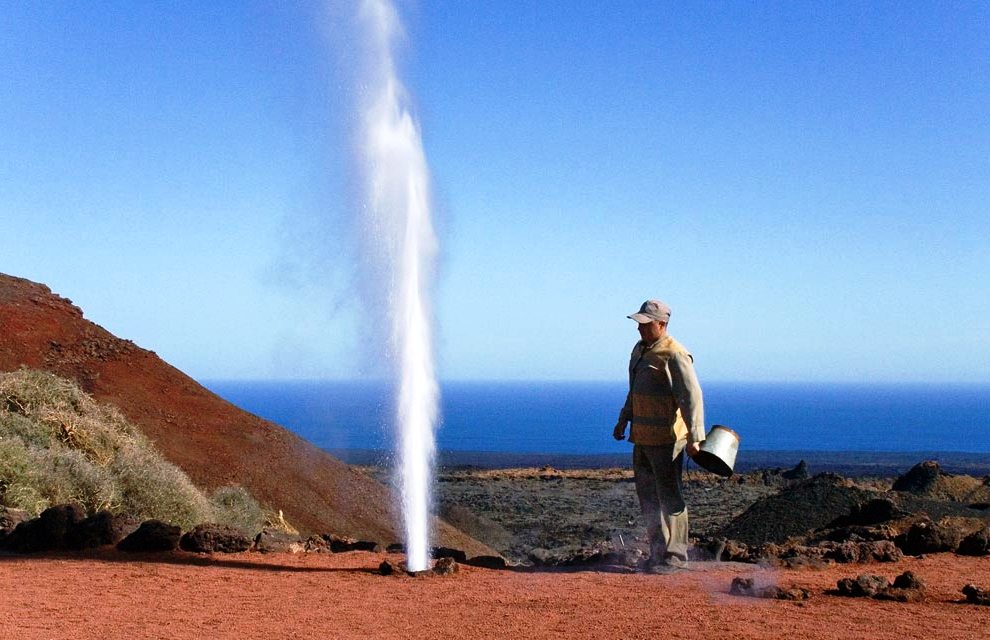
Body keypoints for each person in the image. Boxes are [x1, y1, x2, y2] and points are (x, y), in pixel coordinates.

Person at [613, 299, 705, 572]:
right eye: (639, 323)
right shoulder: (640, 351)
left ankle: (676, 556)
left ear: (662, 324)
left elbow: (692, 397)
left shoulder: (674, 354)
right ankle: (657, 552)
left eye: (646, 324)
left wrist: (694, 436)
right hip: (641, 437)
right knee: (648, 497)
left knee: (670, 497)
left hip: (667, 440)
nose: (639, 329)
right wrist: (623, 420)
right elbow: (635, 391)